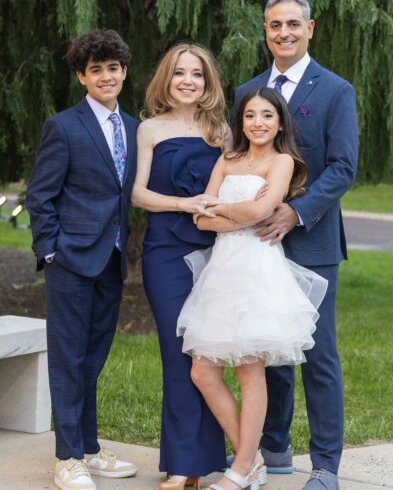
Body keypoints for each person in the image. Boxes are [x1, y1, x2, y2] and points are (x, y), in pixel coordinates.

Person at [233, 0, 359, 490]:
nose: (282, 33)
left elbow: (344, 167)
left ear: (311, 28)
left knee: (316, 353)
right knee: (269, 352)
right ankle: (274, 446)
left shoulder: (335, 90)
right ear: (265, 31)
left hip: (311, 238)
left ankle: (326, 464)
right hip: (258, 242)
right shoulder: (249, 90)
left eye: (292, 24)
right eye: (273, 25)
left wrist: (297, 212)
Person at [177, 87, 328, 490]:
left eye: (266, 115)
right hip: (222, 270)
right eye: (249, 115)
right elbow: (200, 220)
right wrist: (235, 212)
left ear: (279, 121)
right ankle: (254, 459)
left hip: (256, 268)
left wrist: (226, 211)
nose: (257, 123)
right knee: (203, 371)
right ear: (240, 121)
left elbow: (262, 212)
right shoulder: (227, 159)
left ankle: (242, 467)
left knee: (248, 368)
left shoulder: (282, 161)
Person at [25, 30, 139, 490]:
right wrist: (51, 250)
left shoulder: (134, 128)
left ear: (124, 72)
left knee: (92, 358)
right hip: (70, 259)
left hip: (111, 260)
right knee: (68, 359)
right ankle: (67, 457)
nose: (106, 76)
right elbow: (40, 195)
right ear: (81, 77)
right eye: (96, 70)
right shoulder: (64, 126)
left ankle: (89, 448)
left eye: (113, 68)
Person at [131, 43, 231, 490]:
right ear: (165, 80)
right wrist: (183, 203)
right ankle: (182, 464)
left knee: (207, 355)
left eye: (197, 74)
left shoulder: (223, 131)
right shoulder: (149, 129)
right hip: (165, 252)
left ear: (208, 82)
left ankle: (208, 460)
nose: (188, 81)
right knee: (178, 353)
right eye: (179, 73)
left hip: (215, 253)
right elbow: (137, 193)